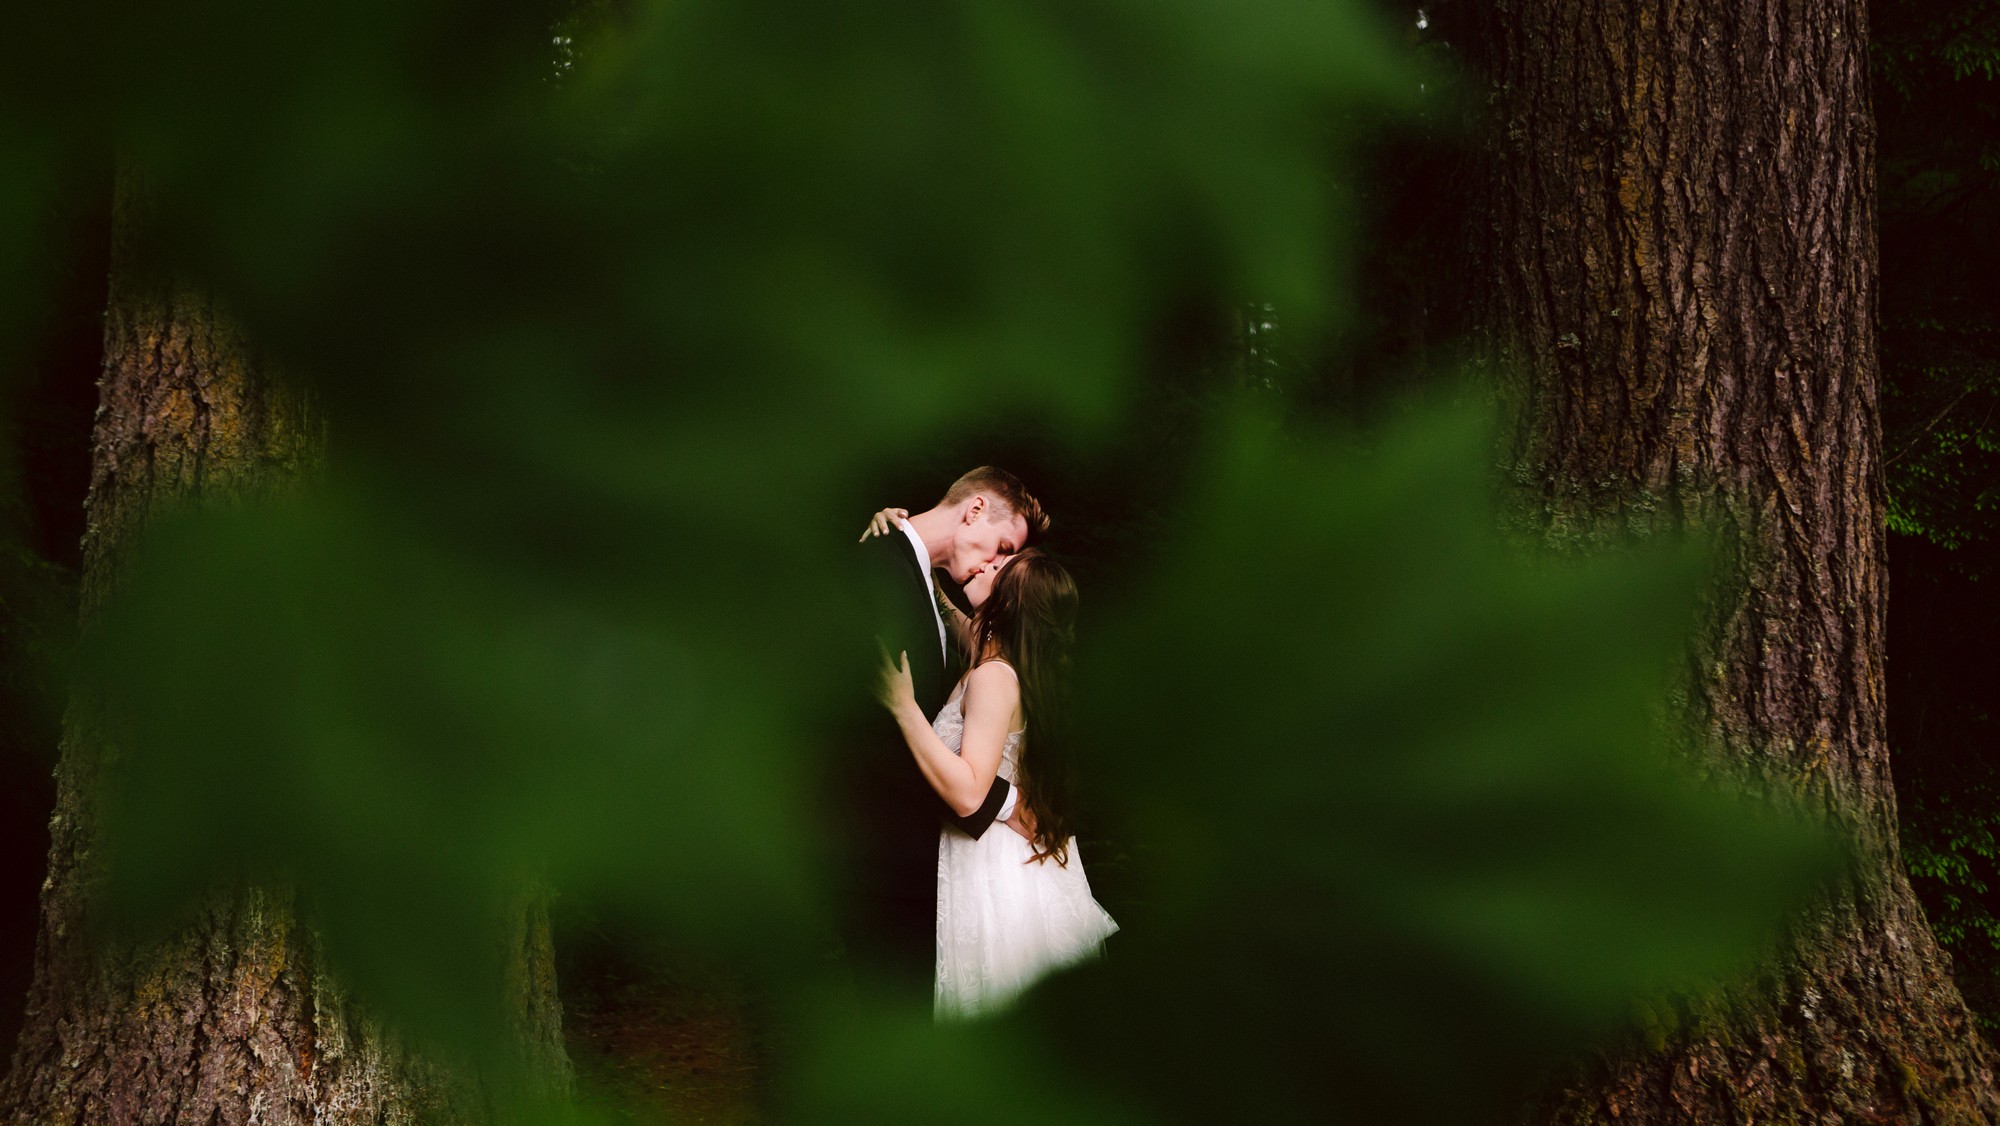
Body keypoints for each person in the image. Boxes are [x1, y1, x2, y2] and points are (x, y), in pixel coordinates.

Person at [875, 547, 1119, 1019]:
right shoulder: (1001, 660)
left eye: (999, 567)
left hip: (996, 869)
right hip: (1010, 855)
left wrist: (905, 709)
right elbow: (957, 619)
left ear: (1009, 602)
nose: (986, 562)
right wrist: (922, 563)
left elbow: (970, 792)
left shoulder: (993, 677)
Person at [841, 467, 1048, 1001]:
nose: (994, 565)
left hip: (928, 867)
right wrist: (1011, 805)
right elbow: (874, 737)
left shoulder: (928, 590)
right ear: (974, 510)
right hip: (882, 862)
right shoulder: (878, 571)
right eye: (1001, 548)